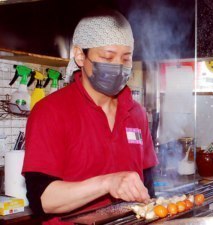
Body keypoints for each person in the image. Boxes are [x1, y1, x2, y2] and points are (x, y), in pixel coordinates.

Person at [22, 9, 158, 225]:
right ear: (79, 55)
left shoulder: (137, 114)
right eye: (107, 57)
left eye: (126, 58)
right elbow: (42, 199)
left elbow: (148, 186)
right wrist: (108, 183)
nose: (118, 67)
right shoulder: (50, 112)